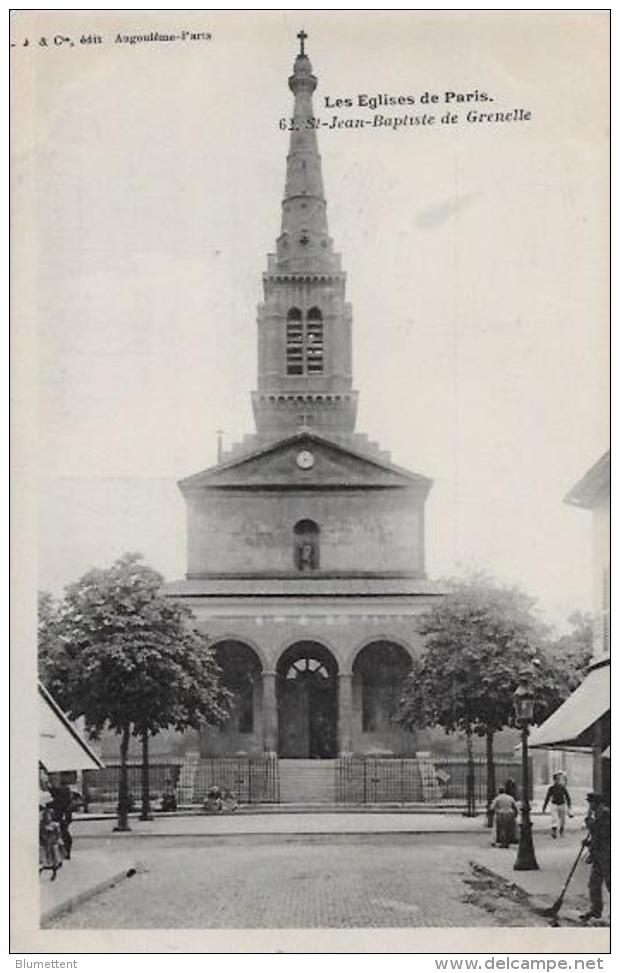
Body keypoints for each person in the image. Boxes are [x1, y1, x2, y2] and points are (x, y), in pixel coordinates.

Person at [580, 792, 611, 922]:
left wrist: (589, 822)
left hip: (608, 854)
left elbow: (602, 833)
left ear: (596, 803)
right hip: (598, 854)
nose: (589, 805)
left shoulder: (606, 815)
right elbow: (596, 835)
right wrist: (589, 843)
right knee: (594, 884)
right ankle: (595, 910)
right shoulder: (598, 814)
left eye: (590, 803)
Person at [542, 772, 572, 838]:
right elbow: (547, 797)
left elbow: (567, 797)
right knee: (554, 818)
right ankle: (554, 832)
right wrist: (544, 806)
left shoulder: (562, 788)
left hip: (562, 804)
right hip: (554, 804)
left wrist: (569, 806)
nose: (557, 781)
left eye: (558, 779)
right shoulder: (551, 788)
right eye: (556, 779)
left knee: (562, 820)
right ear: (554, 780)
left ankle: (561, 831)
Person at [50, 779, 74, 859]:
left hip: (60, 815)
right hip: (63, 816)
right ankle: (65, 852)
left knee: (61, 833)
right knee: (64, 833)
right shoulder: (64, 792)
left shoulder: (59, 793)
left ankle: (63, 852)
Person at [39, 805, 63, 880]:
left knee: (54, 857)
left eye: (49, 816)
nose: (47, 818)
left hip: (52, 843)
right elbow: (40, 833)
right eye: (46, 816)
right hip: (45, 843)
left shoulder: (55, 825)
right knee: (43, 859)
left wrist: (57, 840)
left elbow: (58, 834)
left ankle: (54, 873)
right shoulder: (42, 825)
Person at [503, 778, 519, 843]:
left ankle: (505, 840)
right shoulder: (511, 798)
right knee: (512, 826)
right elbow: (514, 806)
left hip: (502, 813)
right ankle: (512, 838)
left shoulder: (501, 797)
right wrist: (516, 813)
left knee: (504, 827)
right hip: (510, 813)